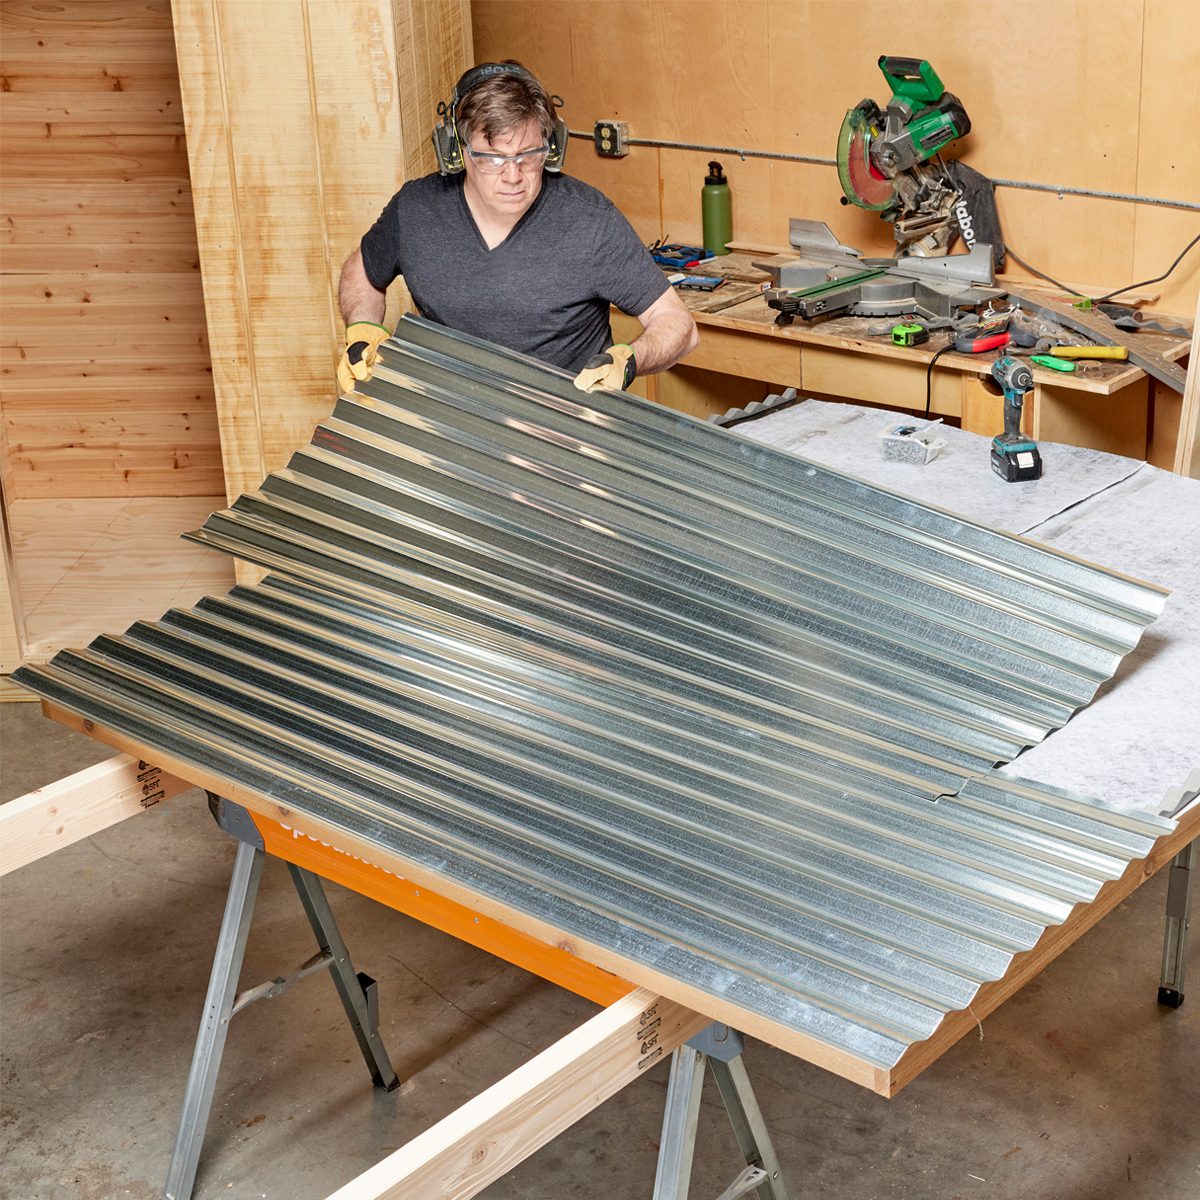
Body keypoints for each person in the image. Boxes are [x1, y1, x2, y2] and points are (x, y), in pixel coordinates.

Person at [337, 60, 697, 396]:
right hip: (451, 419)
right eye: (493, 158)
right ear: (457, 151)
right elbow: (363, 272)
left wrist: (629, 360)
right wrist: (363, 328)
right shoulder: (415, 210)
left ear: (551, 147)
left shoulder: (589, 221)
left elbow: (678, 325)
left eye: (528, 155)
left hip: (566, 430)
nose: (513, 176)